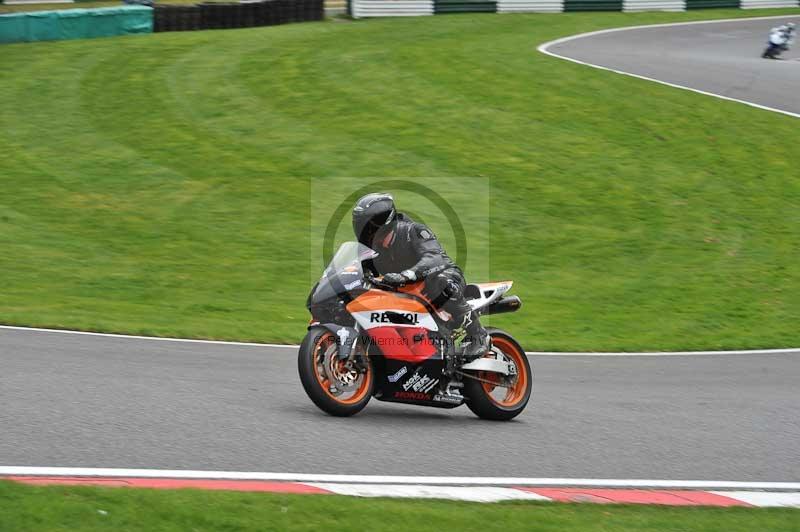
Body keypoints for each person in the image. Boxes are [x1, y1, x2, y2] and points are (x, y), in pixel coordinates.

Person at [351, 192, 490, 360]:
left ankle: (479, 335)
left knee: (441, 283)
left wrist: (408, 274)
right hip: (407, 292)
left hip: (442, 275)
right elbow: (358, 271)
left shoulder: (413, 231)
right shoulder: (370, 251)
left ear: (380, 222)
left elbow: (433, 257)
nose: (363, 229)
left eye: (366, 224)